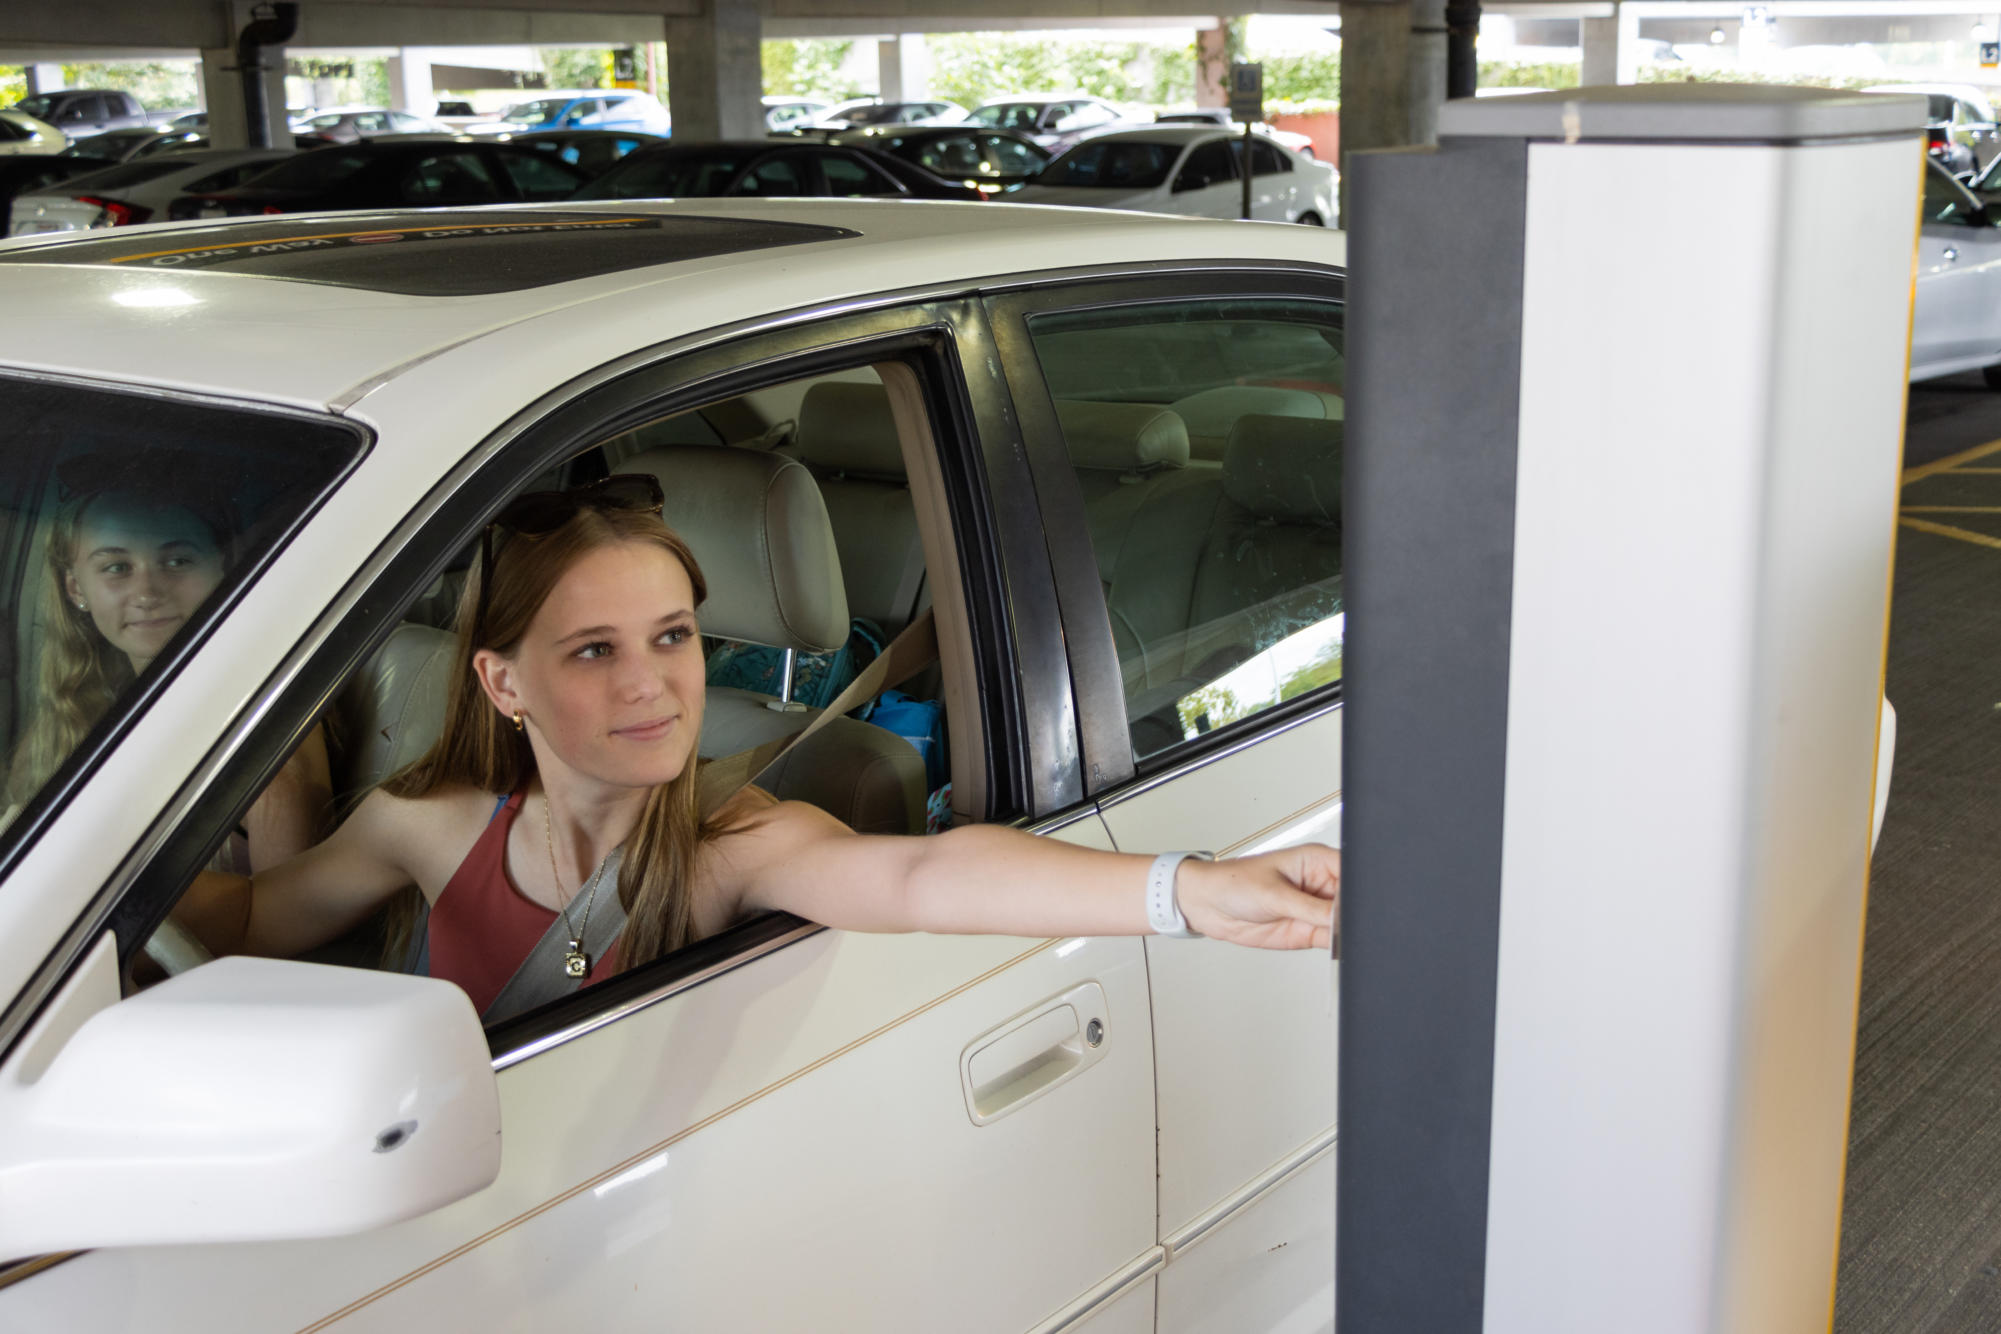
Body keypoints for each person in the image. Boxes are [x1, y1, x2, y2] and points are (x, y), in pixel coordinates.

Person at [175, 475, 1337, 1017]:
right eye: (592, 650)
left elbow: (922, 873)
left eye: (674, 635)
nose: (654, 685)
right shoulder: (423, 824)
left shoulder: (730, 843)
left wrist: (1193, 891)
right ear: (501, 679)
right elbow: (233, 928)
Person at [5, 452, 330, 872]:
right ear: (75, 588)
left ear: (224, 567)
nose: (147, 592)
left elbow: (288, 929)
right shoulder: (70, 719)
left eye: (177, 560)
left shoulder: (267, 746)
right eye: (117, 567)